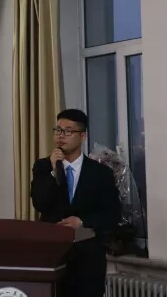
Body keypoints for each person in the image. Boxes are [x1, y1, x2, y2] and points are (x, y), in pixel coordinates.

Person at [30, 108, 121, 297]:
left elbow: (112, 214)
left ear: (83, 136)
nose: (61, 136)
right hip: (53, 258)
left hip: (88, 262)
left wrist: (82, 222)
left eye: (68, 131)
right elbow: (39, 203)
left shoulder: (100, 173)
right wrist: (53, 171)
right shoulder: (43, 167)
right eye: (58, 130)